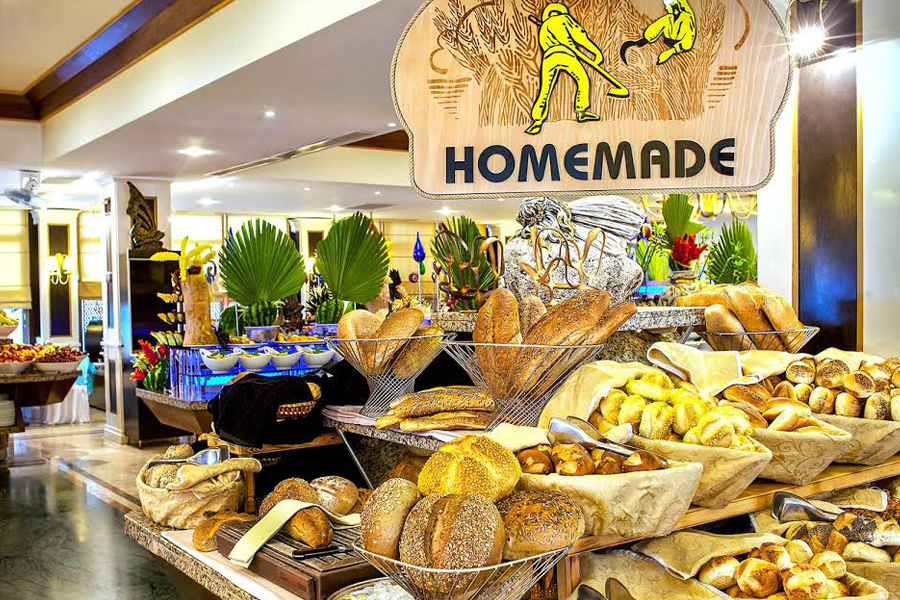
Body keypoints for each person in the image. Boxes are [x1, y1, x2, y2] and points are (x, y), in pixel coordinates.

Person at [526, 3, 627, 135]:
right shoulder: (564, 18)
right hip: (567, 54)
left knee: (545, 90)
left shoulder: (544, 26)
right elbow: (580, 36)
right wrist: (596, 52)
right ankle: (581, 111)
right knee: (583, 80)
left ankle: (537, 121)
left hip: (549, 57)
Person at [620, 0, 697, 66]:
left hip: (677, 46)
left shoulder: (687, 18)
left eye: (668, 6)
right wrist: (643, 41)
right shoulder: (670, 18)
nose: (666, 8)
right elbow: (657, 26)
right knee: (666, 20)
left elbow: (688, 43)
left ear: (676, 6)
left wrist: (671, 52)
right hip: (667, 40)